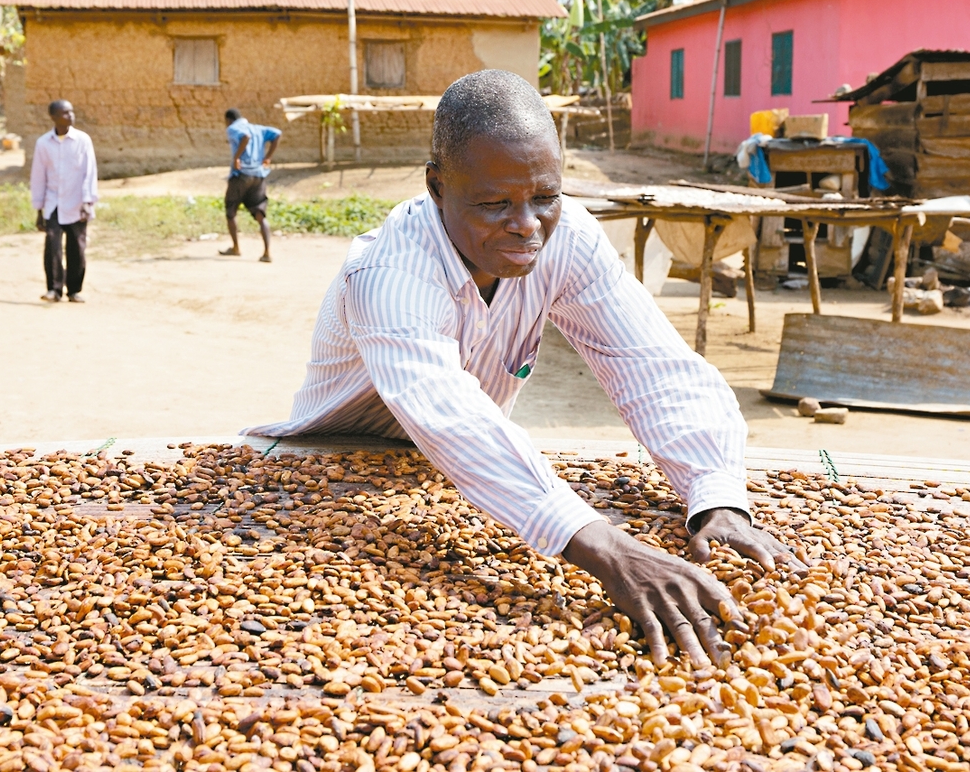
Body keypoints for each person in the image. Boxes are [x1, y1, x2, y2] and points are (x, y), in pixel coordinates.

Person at [247, 70, 803, 667]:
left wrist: (714, 495)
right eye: (493, 204)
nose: (527, 225)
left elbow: (651, 365)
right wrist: (608, 549)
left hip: (467, 478)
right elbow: (446, 413)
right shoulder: (391, 272)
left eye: (546, 197)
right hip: (325, 467)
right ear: (436, 186)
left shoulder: (569, 242)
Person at [30, 100, 98, 303]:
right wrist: (39, 209)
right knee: (53, 247)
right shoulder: (43, 144)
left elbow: (89, 172)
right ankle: (54, 289)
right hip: (53, 204)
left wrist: (88, 201)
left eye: (71, 112)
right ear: (53, 117)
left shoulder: (82, 140)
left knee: (77, 248)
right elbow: (38, 177)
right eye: (65, 113)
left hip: (77, 203)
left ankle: (74, 290)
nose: (70, 116)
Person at [222, 108, 280, 261]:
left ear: (228, 120)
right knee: (260, 214)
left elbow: (245, 137)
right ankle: (267, 253)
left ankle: (236, 248)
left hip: (241, 175)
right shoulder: (257, 128)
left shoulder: (233, 128)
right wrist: (268, 157)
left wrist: (237, 157)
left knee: (231, 210)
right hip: (258, 176)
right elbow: (277, 134)